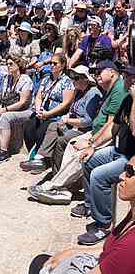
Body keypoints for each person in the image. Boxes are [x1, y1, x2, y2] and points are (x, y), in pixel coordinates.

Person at [28, 159, 135, 274]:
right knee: (43, 260)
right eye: (124, 168)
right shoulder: (132, 214)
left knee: (39, 265)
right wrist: (72, 251)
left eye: (129, 172)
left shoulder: (131, 245)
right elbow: (110, 250)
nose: (121, 176)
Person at [72, 62, 135, 245]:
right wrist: (91, 145)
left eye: (132, 77)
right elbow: (112, 128)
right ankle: (91, 207)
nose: (128, 80)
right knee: (89, 160)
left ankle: (104, 225)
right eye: (126, 75)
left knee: (100, 176)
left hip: (130, 158)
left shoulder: (132, 100)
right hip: (117, 150)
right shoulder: (126, 99)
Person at [28, 65, 104, 204]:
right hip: (73, 124)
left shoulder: (92, 93)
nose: (73, 81)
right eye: (72, 77)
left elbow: (87, 121)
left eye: (76, 78)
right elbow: (73, 110)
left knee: (62, 141)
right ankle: (41, 159)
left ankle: (59, 181)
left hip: (84, 129)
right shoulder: (78, 91)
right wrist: (67, 118)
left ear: (86, 80)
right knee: (52, 126)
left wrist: (68, 120)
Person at [21, 54, 76, 173]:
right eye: (51, 63)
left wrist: (48, 114)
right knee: (28, 128)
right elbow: (39, 95)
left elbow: (65, 104)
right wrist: (38, 109)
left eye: (55, 63)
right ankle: (34, 158)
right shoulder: (46, 79)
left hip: (56, 114)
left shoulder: (67, 82)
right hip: (42, 111)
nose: (52, 65)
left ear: (62, 65)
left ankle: (42, 161)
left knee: (42, 131)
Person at [0, 56, 34, 163]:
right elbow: (4, 97)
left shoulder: (25, 79)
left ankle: (4, 151)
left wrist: (3, 110)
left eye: (11, 64)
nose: (8, 66)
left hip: (26, 110)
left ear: (18, 65)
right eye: (7, 64)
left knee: (4, 117)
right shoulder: (7, 78)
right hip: (9, 107)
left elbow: (22, 103)